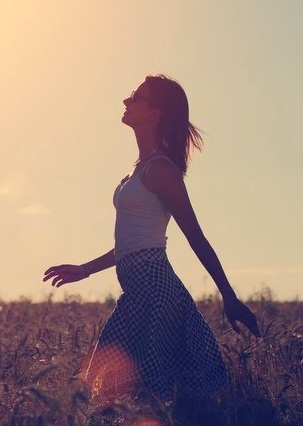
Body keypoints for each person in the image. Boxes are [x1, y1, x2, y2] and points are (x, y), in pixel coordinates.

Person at [41, 74, 262, 424]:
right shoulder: (138, 170)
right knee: (115, 388)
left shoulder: (161, 170)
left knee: (142, 392)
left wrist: (229, 297)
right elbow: (130, 244)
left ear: (154, 113)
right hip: (138, 291)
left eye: (136, 97)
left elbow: (195, 236)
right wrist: (84, 269)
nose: (126, 101)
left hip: (157, 292)